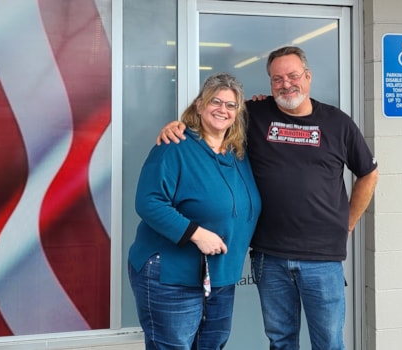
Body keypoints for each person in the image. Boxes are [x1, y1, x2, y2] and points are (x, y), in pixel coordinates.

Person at [158, 46, 379, 350]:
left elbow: (368, 173)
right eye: (277, 79)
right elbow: (215, 118)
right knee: (280, 340)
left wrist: (348, 223)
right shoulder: (255, 114)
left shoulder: (337, 123)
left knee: (329, 342)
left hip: (322, 257)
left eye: (293, 76)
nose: (286, 84)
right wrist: (179, 126)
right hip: (270, 255)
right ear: (270, 83)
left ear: (308, 76)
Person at [129, 72, 261, 350]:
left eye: (231, 105)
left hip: (220, 277)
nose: (223, 110)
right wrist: (196, 233)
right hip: (172, 275)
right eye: (215, 101)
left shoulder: (238, 153)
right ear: (199, 105)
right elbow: (149, 201)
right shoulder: (174, 146)